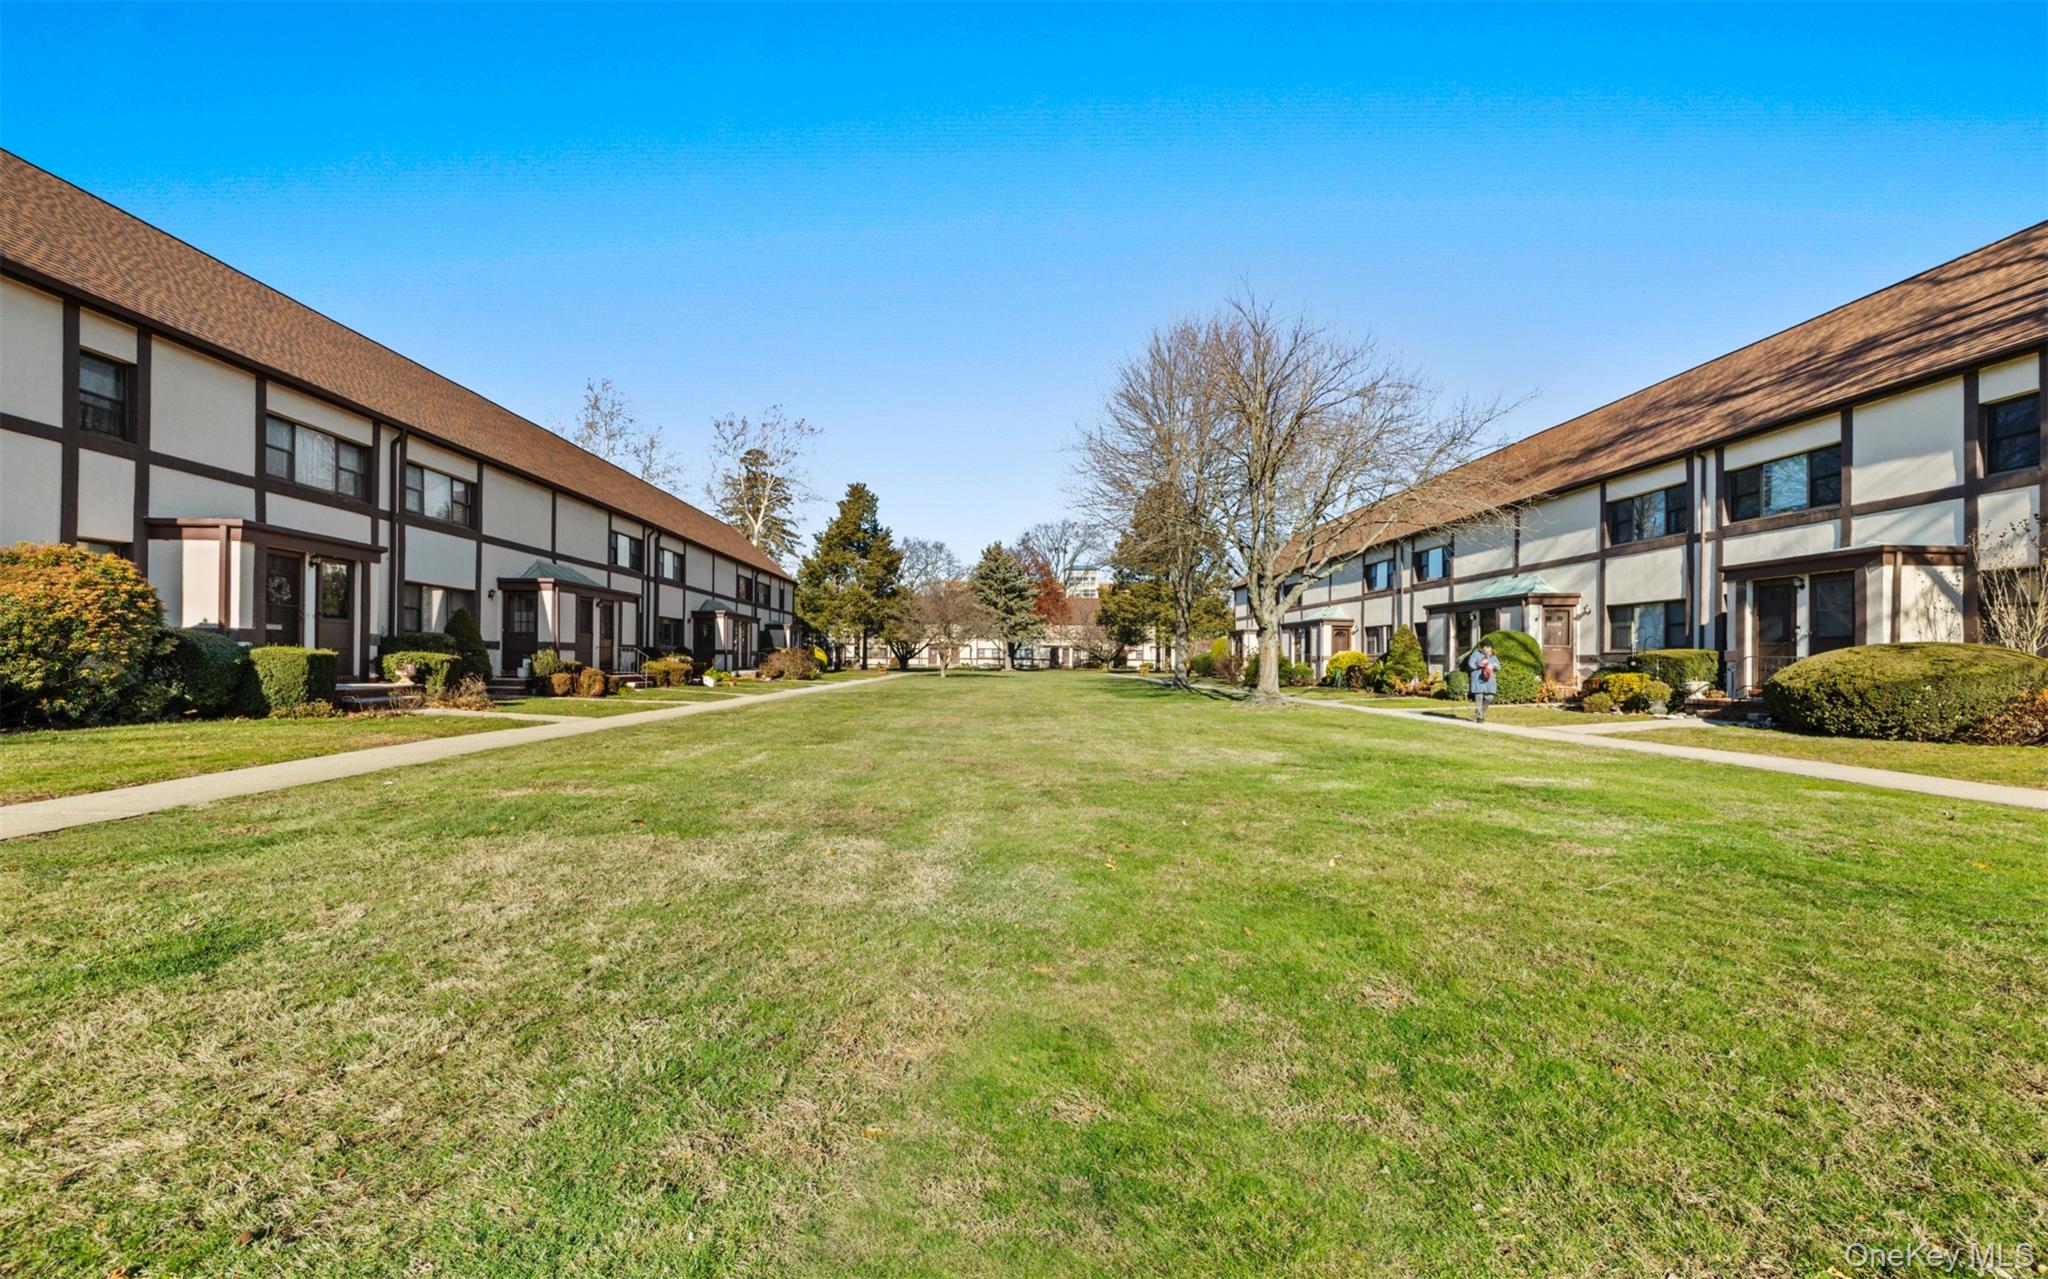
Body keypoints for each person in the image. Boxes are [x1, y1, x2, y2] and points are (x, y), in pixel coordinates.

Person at [1466, 639, 1499, 723]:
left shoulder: (1493, 656)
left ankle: (1479, 712)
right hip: (1478, 678)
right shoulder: (1476, 654)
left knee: (1490, 697)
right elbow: (1471, 664)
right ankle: (1480, 717)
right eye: (1487, 647)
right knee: (1479, 698)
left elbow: (1499, 667)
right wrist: (1480, 664)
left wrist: (1493, 665)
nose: (1489, 649)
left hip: (1489, 679)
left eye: (1490, 647)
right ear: (1482, 647)